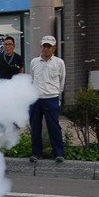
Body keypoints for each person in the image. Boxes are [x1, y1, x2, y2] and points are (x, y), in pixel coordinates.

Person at [29, 35, 66, 163]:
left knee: (54, 127)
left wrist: (56, 94)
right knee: (35, 127)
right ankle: (36, 153)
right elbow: (32, 78)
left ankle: (58, 153)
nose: (46, 49)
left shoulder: (59, 62)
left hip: (51, 98)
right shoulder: (34, 62)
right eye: (44, 46)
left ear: (54, 48)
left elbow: (62, 81)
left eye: (49, 47)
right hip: (35, 99)